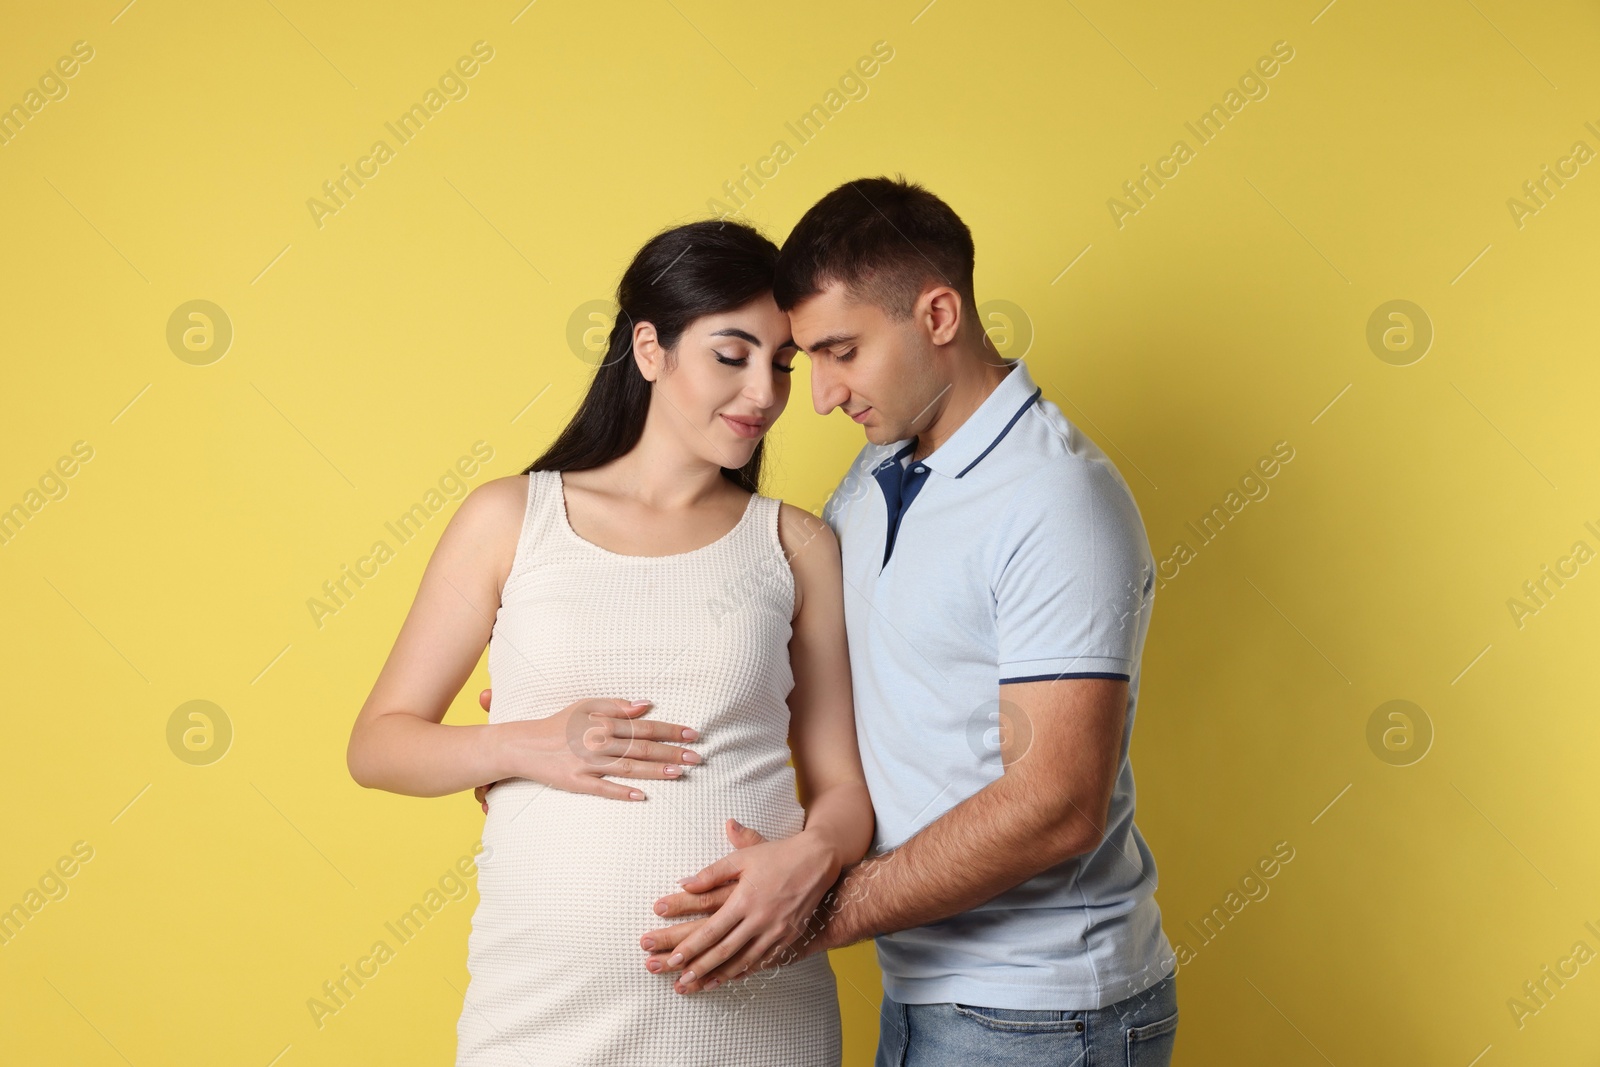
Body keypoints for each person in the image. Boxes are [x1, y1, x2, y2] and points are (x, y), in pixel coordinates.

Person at [640, 176, 1180, 1066]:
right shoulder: (879, 472)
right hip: (928, 990)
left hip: (1043, 1014)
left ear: (938, 315)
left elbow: (1058, 804)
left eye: (841, 350)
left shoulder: (1056, 499)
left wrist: (808, 913)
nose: (817, 395)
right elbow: (796, 655)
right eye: (807, 357)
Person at [345, 218, 873, 1066]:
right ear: (650, 347)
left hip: (756, 1016)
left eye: (782, 363)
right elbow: (378, 744)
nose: (764, 394)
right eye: (732, 355)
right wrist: (528, 744)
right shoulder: (510, 518)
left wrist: (810, 855)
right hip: (541, 1013)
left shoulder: (798, 546)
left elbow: (844, 785)